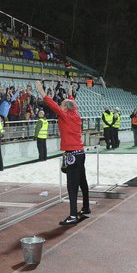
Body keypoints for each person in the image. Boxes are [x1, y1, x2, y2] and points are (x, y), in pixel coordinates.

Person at [36, 80, 90, 225]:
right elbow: (72, 102)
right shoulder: (76, 114)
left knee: (71, 186)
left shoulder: (65, 115)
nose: (60, 106)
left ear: (65, 108)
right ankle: (85, 207)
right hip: (80, 153)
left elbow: (52, 105)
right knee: (82, 181)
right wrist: (70, 91)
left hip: (72, 153)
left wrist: (41, 90)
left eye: (62, 104)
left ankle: (73, 215)